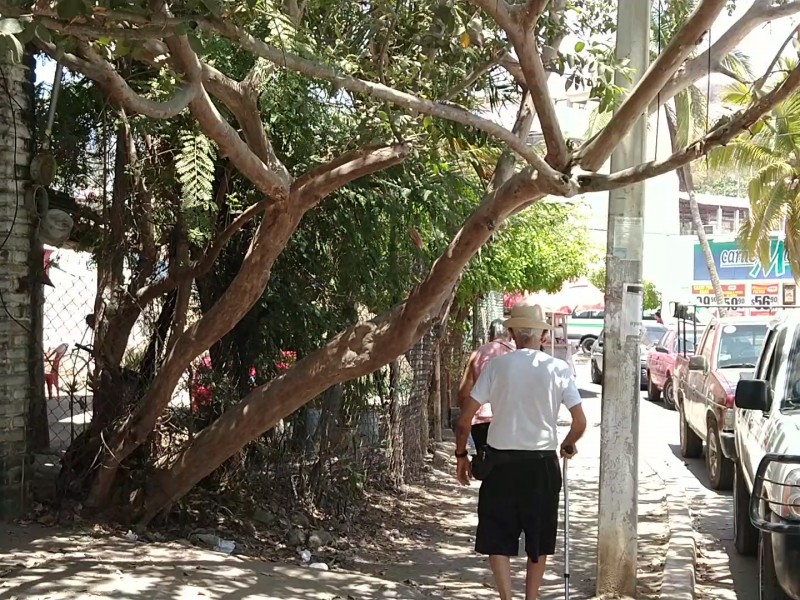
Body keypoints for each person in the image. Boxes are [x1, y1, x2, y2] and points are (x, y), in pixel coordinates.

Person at [454, 303, 587, 600]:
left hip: (501, 465)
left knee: (497, 536)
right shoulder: (558, 369)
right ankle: (532, 598)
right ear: (541, 336)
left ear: (513, 334)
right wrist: (567, 444)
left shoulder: (497, 367)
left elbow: (464, 421)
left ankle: (506, 597)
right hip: (541, 465)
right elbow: (579, 423)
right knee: (538, 539)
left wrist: (461, 456)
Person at [458, 319, 516, 451]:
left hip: (481, 421)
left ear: (489, 335)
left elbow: (463, 394)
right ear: (509, 335)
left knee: (485, 462)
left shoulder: (477, 354)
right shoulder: (516, 354)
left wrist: (468, 416)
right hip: (509, 420)